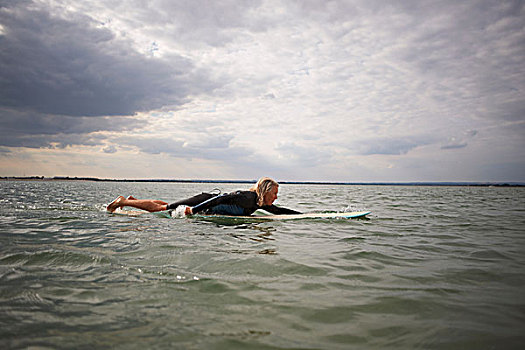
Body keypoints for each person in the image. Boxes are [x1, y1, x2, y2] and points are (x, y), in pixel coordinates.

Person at [106, 177, 301, 216]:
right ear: (265, 191)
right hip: (203, 201)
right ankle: (122, 201)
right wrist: (194, 210)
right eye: (274, 194)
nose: (275, 198)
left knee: (167, 205)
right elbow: (221, 198)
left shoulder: (258, 204)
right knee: (163, 209)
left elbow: (278, 210)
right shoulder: (247, 198)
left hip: (205, 203)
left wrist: (309, 215)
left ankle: (132, 201)